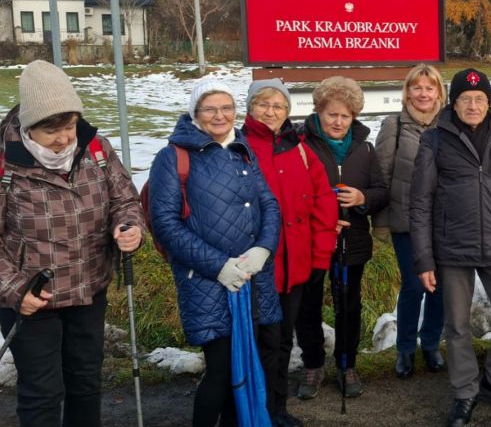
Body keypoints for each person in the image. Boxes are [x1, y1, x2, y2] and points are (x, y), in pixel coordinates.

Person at [0, 60, 144, 427]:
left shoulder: (96, 149)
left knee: (85, 384)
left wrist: (129, 226)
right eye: (52, 131)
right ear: (30, 127)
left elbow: (124, 201)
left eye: (69, 126)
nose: (64, 138)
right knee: (42, 393)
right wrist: (16, 289)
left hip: (88, 290)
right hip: (33, 301)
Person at [148, 80, 282, 426]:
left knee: (247, 366)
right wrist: (220, 266)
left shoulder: (243, 150)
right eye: (210, 108)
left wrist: (264, 248)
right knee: (221, 370)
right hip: (208, 281)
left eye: (226, 107)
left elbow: (269, 203)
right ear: (196, 113)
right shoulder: (172, 158)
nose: (219, 115)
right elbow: (164, 223)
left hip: (252, 276)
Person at [410, 68, 491, 427]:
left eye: (480, 99)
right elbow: (419, 203)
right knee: (458, 325)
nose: (473, 105)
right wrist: (424, 258)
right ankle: (465, 391)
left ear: (489, 102)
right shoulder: (434, 140)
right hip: (453, 247)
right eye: (466, 99)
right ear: (455, 102)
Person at [242, 79, 338, 426]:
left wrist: (320, 256)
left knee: (282, 341)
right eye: (263, 104)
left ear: (287, 111)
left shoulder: (298, 148)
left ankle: (275, 409)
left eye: (278, 105)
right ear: (250, 108)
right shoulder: (238, 146)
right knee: (253, 341)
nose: (271, 111)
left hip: (294, 264)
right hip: (253, 266)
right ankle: (248, 408)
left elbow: (323, 201)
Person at [294, 76, 388, 400]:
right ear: (319, 112)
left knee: (348, 304)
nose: (338, 121)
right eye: (331, 114)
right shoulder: (301, 146)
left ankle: (347, 364)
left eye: (345, 115)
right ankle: (313, 363)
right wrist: (321, 219)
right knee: (308, 305)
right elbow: (291, 194)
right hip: (310, 241)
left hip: (353, 240)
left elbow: (380, 191)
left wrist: (363, 199)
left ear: (354, 117)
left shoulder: (364, 149)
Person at [374, 64, 447, 379]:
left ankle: (430, 343)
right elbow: (382, 176)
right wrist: (381, 221)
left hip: (444, 223)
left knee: (440, 288)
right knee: (414, 285)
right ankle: (405, 348)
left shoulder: (449, 125)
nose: (423, 93)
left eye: (430, 88)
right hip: (406, 222)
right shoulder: (394, 125)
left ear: (439, 93)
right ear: (407, 92)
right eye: (417, 87)